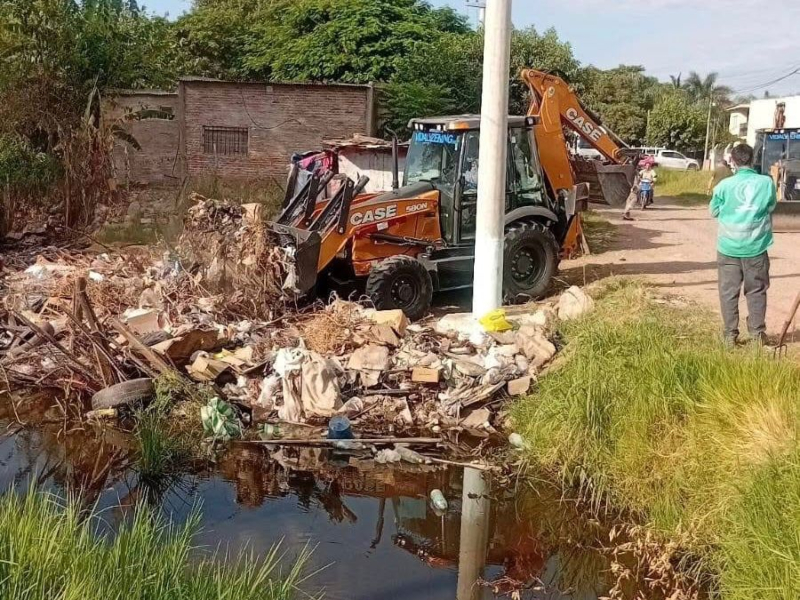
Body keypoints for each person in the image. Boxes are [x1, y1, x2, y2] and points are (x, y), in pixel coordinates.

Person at [710, 143, 777, 347]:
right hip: (756, 247)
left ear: (733, 161)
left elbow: (714, 211)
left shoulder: (723, 186)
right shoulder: (766, 183)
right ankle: (757, 335)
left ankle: (730, 335)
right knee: (756, 290)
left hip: (728, 247)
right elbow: (771, 206)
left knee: (728, 292)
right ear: (753, 159)